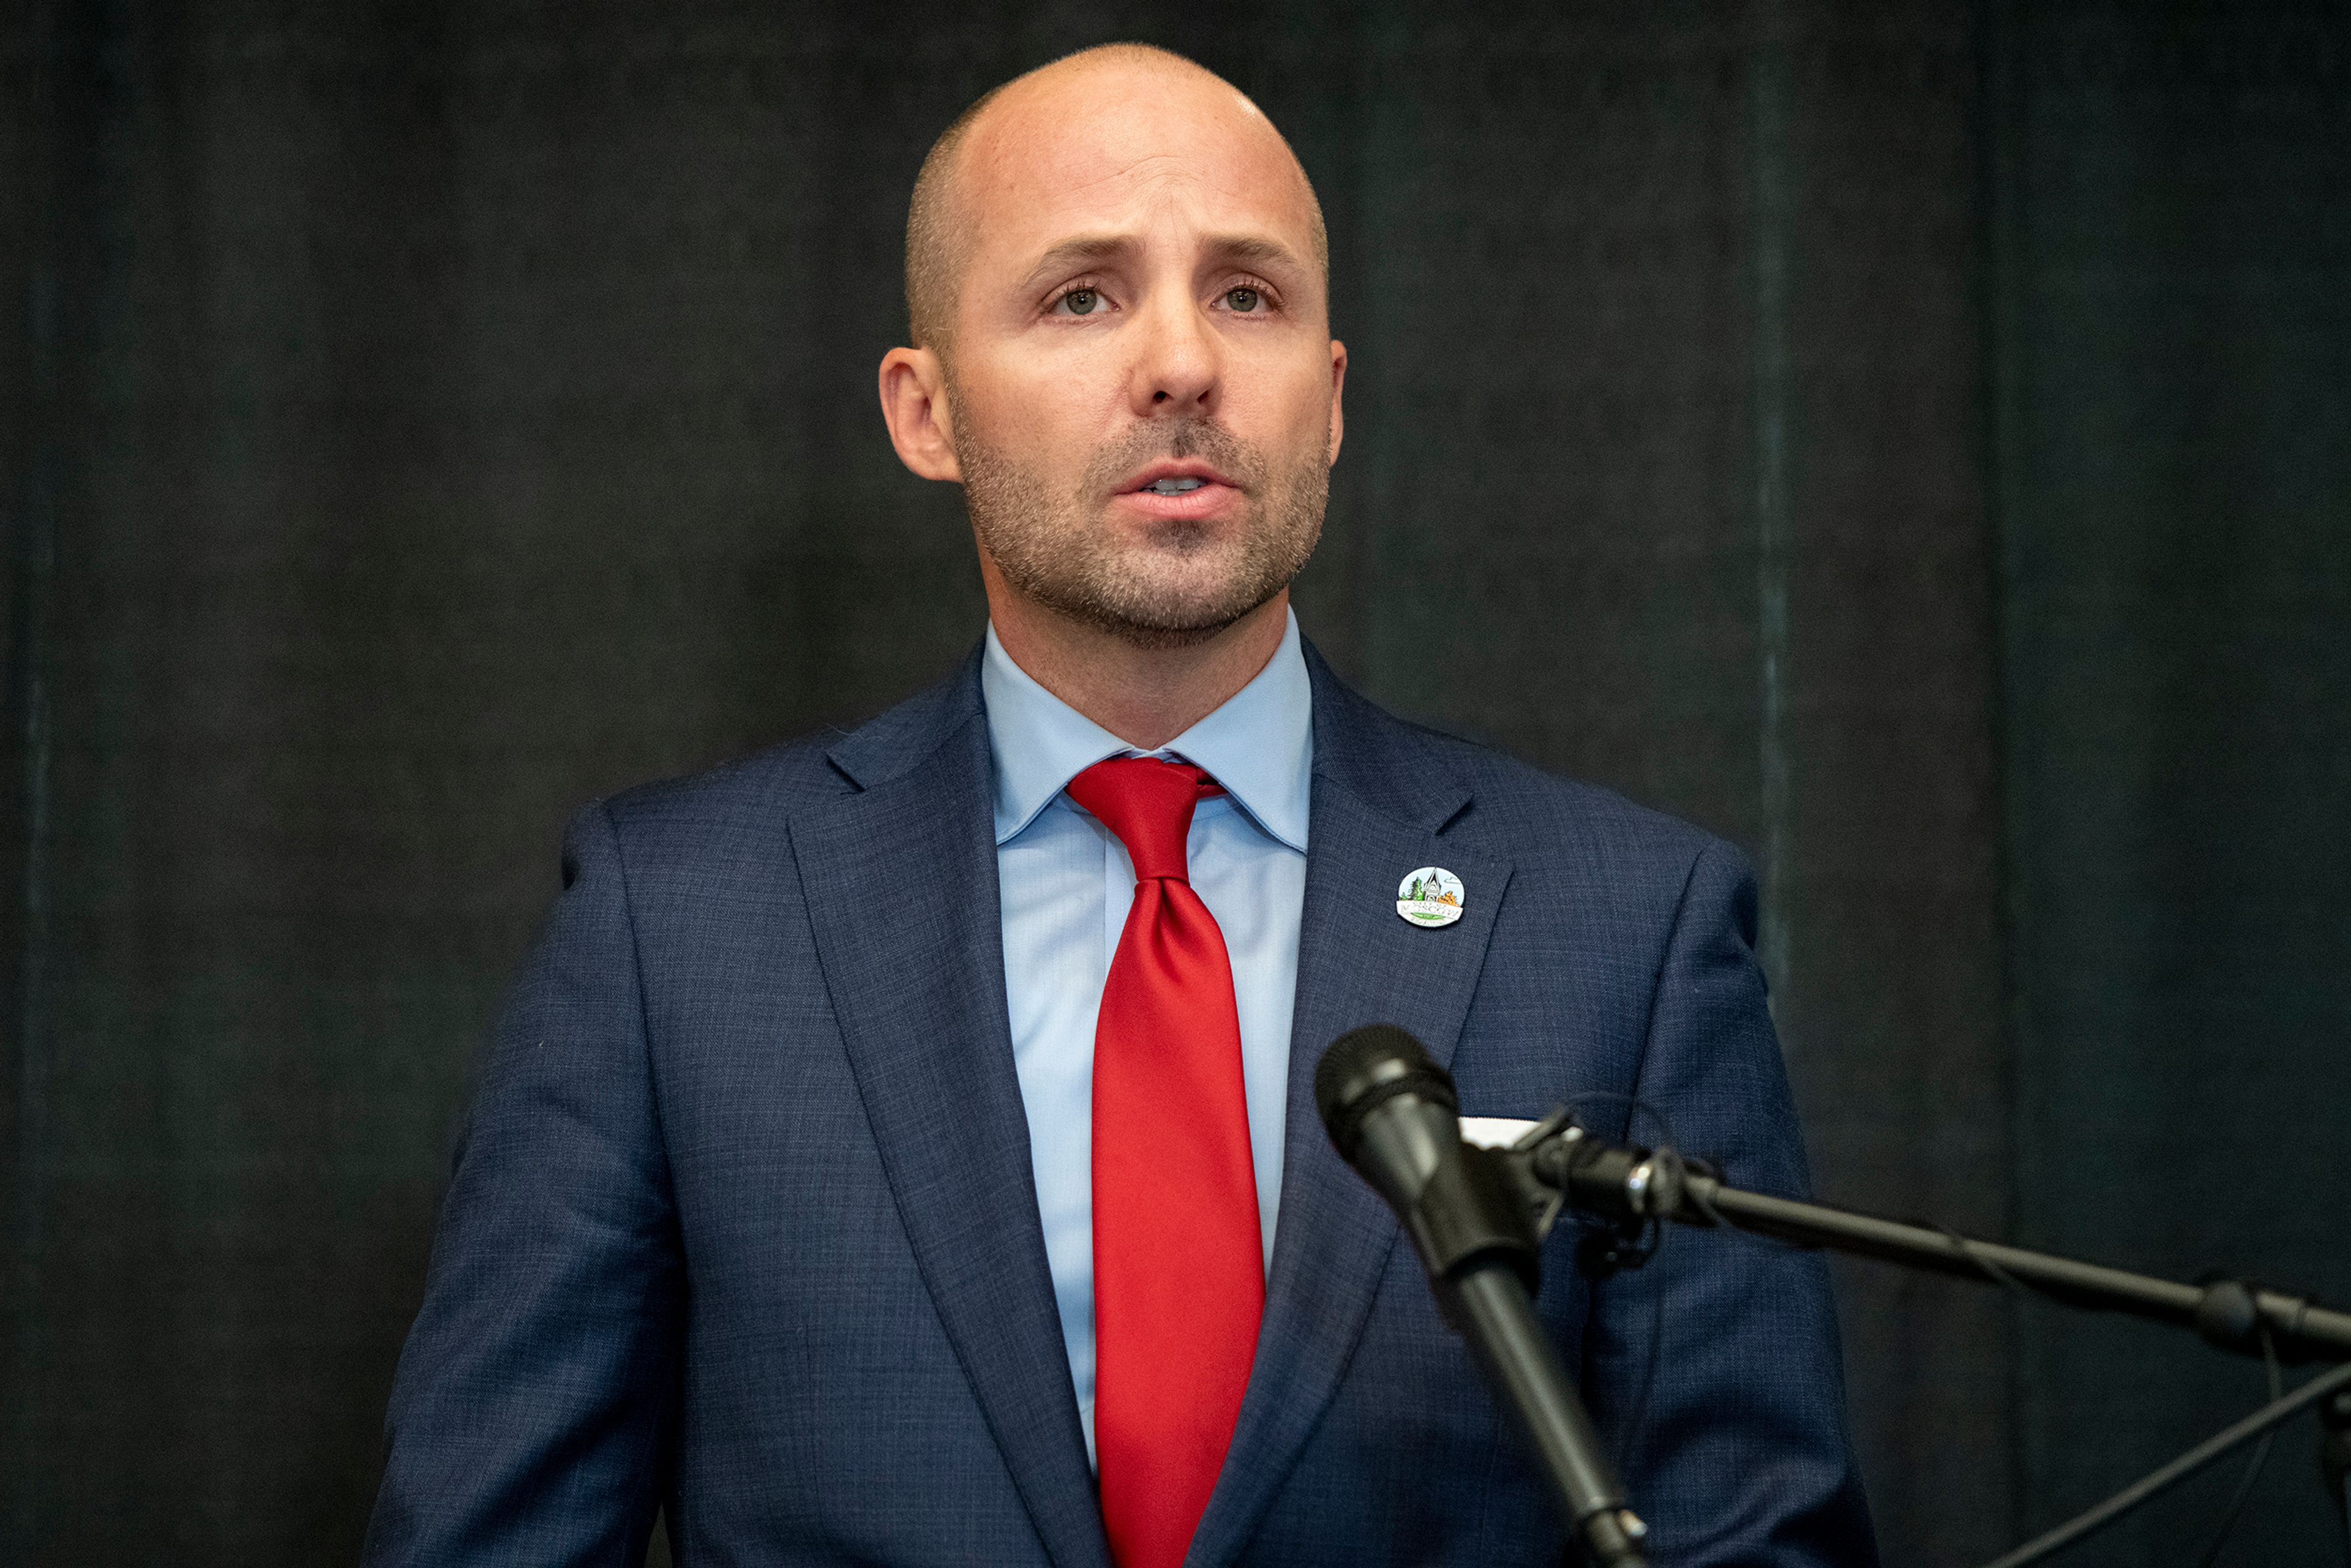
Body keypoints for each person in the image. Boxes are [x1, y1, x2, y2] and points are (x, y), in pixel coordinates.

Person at [364, 43, 1877, 1568]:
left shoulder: (1628, 928)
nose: (1182, 364)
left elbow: (1752, 1543)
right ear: (925, 411)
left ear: (1331, 399)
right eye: (1082, 295)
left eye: (1249, 295)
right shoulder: (673, 926)